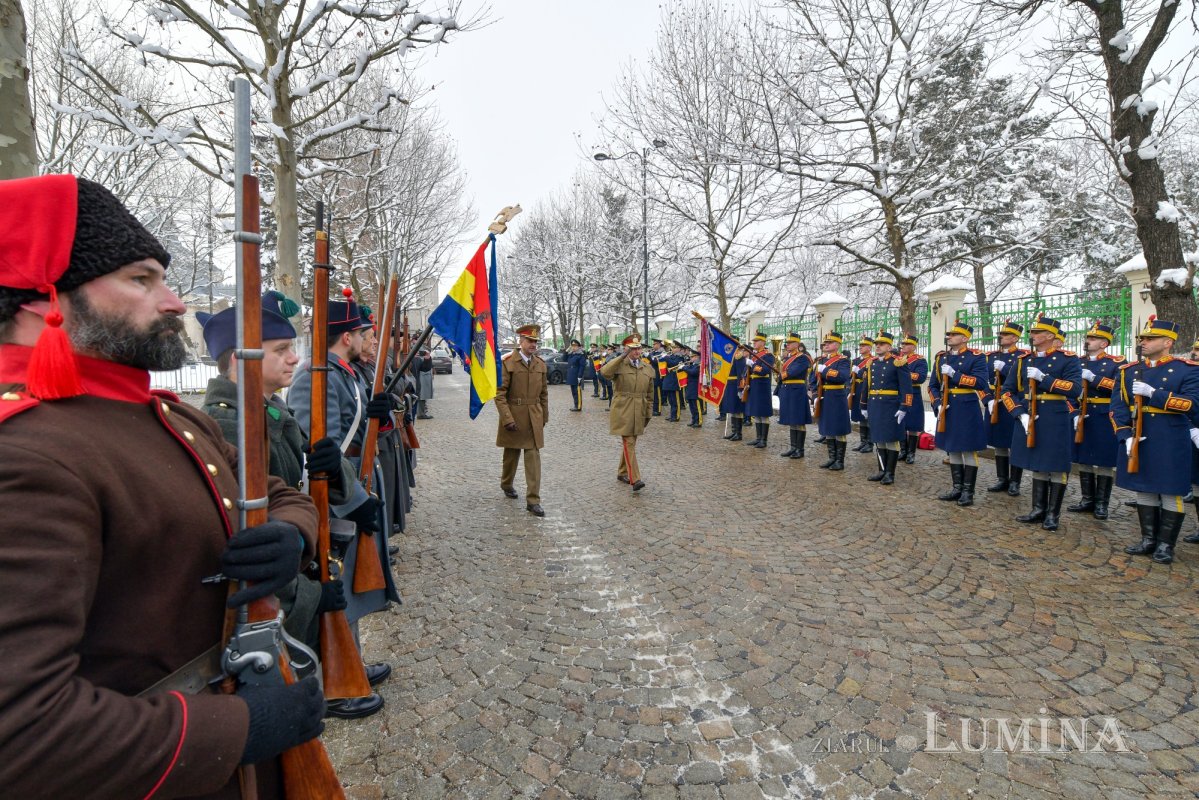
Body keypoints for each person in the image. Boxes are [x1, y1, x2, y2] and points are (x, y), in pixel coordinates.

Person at [0, 174, 324, 798]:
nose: (175, 302)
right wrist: (236, 729)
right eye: (140, 279)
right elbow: (23, 729)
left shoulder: (174, 417)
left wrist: (290, 532)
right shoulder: (25, 455)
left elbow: (279, 494)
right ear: (45, 302)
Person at [289, 293, 397, 717]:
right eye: (364, 333)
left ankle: (350, 660)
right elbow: (318, 451)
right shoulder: (315, 376)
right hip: (336, 502)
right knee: (334, 587)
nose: (369, 339)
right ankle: (334, 680)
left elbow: (355, 435)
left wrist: (379, 416)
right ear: (348, 335)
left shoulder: (345, 372)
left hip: (353, 491)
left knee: (347, 585)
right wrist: (353, 499)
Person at [1112, 318, 1199, 563]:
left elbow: (1193, 405)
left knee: (1171, 491)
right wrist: (1124, 435)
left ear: (1168, 342)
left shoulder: (1187, 369)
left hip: (1170, 437)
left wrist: (1155, 394)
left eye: (1150, 339)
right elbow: (1117, 407)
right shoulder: (1128, 371)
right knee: (1144, 488)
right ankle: (1148, 539)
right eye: (1142, 338)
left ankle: (1165, 544)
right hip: (1139, 435)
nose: (1143, 342)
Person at [1000, 315, 1083, 532]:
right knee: (1036, 462)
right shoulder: (1023, 360)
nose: (1032, 335)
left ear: (1049, 336)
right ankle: (1038, 509)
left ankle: (1053, 514)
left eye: (1037, 333)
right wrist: (1019, 413)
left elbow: (1075, 390)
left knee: (1054, 465)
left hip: (1055, 417)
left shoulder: (1068, 359)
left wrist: (1044, 379)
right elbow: (1007, 390)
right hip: (1029, 415)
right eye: (1032, 332)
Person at [928, 321, 990, 506]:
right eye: (948, 335)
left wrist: (956, 375)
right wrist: (937, 404)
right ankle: (957, 488)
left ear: (964, 338)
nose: (949, 337)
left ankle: (968, 491)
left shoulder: (976, 357)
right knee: (952, 447)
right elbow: (933, 385)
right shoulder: (941, 357)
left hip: (966, 406)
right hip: (947, 407)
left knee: (968, 449)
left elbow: (981, 383)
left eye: (953, 335)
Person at [1067, 321, 1124, 520]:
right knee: (1084, 458)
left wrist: (1095, 379)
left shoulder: (1116, 362)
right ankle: (1087, 499)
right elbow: (1068, 390)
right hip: (1082, 412)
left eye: (1093, 339)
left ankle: (1102, 503)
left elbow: (1121, 388)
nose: (1087, 341)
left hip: (1104, 413)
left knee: (1104, 460)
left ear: (1104, 343)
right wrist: (1073, 413)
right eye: (1087, 338)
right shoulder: (1076, 361)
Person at [495, 324, 549, 516]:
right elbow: (500, 393)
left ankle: (533, 500)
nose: (533, 344)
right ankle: (506, 483)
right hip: (514, 415)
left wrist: (544, 416)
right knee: (511, 455)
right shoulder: (508, 362)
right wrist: (507, 418)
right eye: (530, 341)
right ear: (521, 341)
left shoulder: (540, 364)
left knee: (533, 456)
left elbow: (544, 393)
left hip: (534, 416)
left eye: (535, 341)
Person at [600, 333, 655, 489]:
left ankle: (622, 471)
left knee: (631, 442)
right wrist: (621, 356)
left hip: (639, 410)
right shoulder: (619, 365)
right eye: (632, 349)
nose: (636, 351)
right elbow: (605, 372)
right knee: (629, 442)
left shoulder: (647, 368)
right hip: (623, 409)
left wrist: (648, 412)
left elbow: (650, 395)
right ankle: (635, 479)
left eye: (638, 348)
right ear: (626, 349)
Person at [862, 331, 914, 485]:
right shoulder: (872, 363)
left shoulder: (898, 362)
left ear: (890, 346)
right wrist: (863, 404)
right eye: (876, 344)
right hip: (875, 404)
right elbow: (867, 385)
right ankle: (881, 470)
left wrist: (904, 406)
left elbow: (907, 387)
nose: (877, 346)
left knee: (891, 440)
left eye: (882, 344)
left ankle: (889, 473)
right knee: (879, 439)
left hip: (891, 405)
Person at [986, 321, 1029, 496]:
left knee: (1014, 443)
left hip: (1013, 403)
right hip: (996, 404)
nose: (1000, 337)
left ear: (1014, 338)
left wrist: (1005, 370)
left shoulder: (1022, 356)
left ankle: (1015, 481)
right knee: (999, 443)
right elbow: (983, 381)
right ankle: (1002, 478)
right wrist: (987, 400)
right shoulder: (989, 356)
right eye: (1000, 334)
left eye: (1004, 335)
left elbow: (1024, 379)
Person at [812, 330, 852, 470]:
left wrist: (826, 371)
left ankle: (839, 461)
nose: (826, 345)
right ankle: (831, 458)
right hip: (824, 396)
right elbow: (813, 380)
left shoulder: (843, 360)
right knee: (827, 428)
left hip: (837, 396)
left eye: (829, 343)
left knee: (838, 428)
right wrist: (815, 396)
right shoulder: (820, 360)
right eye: (825, 343)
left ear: (837, 344)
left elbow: (843, 376)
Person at [776, 331, 813, 459]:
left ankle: (800, 449)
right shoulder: (787, 358)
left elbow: (794, 371)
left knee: (799, 419)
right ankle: (793, 447)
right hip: (787, 390)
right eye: (787, 343)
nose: (787, 344)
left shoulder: (802, 358)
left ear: (797, 344)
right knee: (792, 419)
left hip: (797, 390)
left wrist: (782, 375)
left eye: (790, 343)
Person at [898, 335, 928, 463]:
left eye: (907, 344)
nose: (903, 346)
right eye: (902, 344)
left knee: (913, 425)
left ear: (913, 347)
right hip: (900, 393)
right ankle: (903, 450)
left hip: (913, 392)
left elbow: (920, 377)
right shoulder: (898, 359)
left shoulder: (919, 360)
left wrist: (904, 374)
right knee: (901, 422)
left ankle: (911, 453)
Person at [744, 330, 776, 448]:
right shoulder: (754, 355)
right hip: (754, 385)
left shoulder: (768, 356)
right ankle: (758, 438)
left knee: (763, 413)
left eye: (757, 341)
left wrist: (752, 365)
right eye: (754, 341)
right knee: (756, 412)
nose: (754, 343)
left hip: (762, 386)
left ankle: (764, 439)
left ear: (763, 342)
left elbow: (765, 370)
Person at [849, 336, 874, 452]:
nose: (860, 347)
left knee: (867, 417)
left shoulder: (872, 360)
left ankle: (869, 443)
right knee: (860, 416)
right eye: (860, 345)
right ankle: (862, 442)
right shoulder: (855, 360)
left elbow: (868, 375)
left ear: (869, 347)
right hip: (857, 389)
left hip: (866, 389)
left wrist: (858, 371)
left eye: (863, 346)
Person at [721, 344, 749, 441]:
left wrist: (740, 389)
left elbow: (741, 374)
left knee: (737, 410)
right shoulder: (729, 357)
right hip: (729, 385)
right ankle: (733, 431)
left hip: (735, 386)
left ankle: (738, 433)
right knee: (732, 409)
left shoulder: (738, 357)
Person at [660, 341, 684, 421]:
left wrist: (666, 358)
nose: (672, 349)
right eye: (672, 348)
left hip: (675, 380)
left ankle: (676, 416)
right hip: (668, 380)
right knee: (671, 400)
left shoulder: (680, 357)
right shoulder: (670, 356)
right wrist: (664, 356)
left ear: (679, 349)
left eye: (674, 348)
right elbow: (660, 360)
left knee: (675, 400)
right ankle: (672, 415)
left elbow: (674, 363)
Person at [681, 347, 703, 427]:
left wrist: (683, 367)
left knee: (696, 406)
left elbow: (693, 372)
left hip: (695, 387)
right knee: (691, 405)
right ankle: (694, 420)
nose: (691, 358)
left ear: (697, 357)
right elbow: (689, 370)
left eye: (692, 357)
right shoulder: (692, 365)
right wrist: (684, 366)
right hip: (690, 387)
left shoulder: (699, 365)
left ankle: (698, 421)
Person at [565, 338, 588, 412]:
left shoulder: (581, 355)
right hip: (571, 375)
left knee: (577, 391)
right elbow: (563, 358)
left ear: (578, 347)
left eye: (575, 346)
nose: (573, 347)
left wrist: (580, 376)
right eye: (572, 346)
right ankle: (575, 405)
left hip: (576, 375)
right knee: (573, 391)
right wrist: (566, 351)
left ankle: (578, 406)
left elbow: (582, 366)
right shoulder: (571, 354)